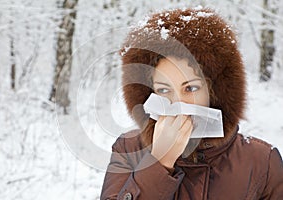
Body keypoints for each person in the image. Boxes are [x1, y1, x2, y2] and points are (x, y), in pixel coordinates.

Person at [100, 7, 283, 200]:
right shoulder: (128, 149)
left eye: (190, 88)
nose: (177, 103)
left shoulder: (262, 161)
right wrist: (159, 162)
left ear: (215, 92)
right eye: (163, 90)